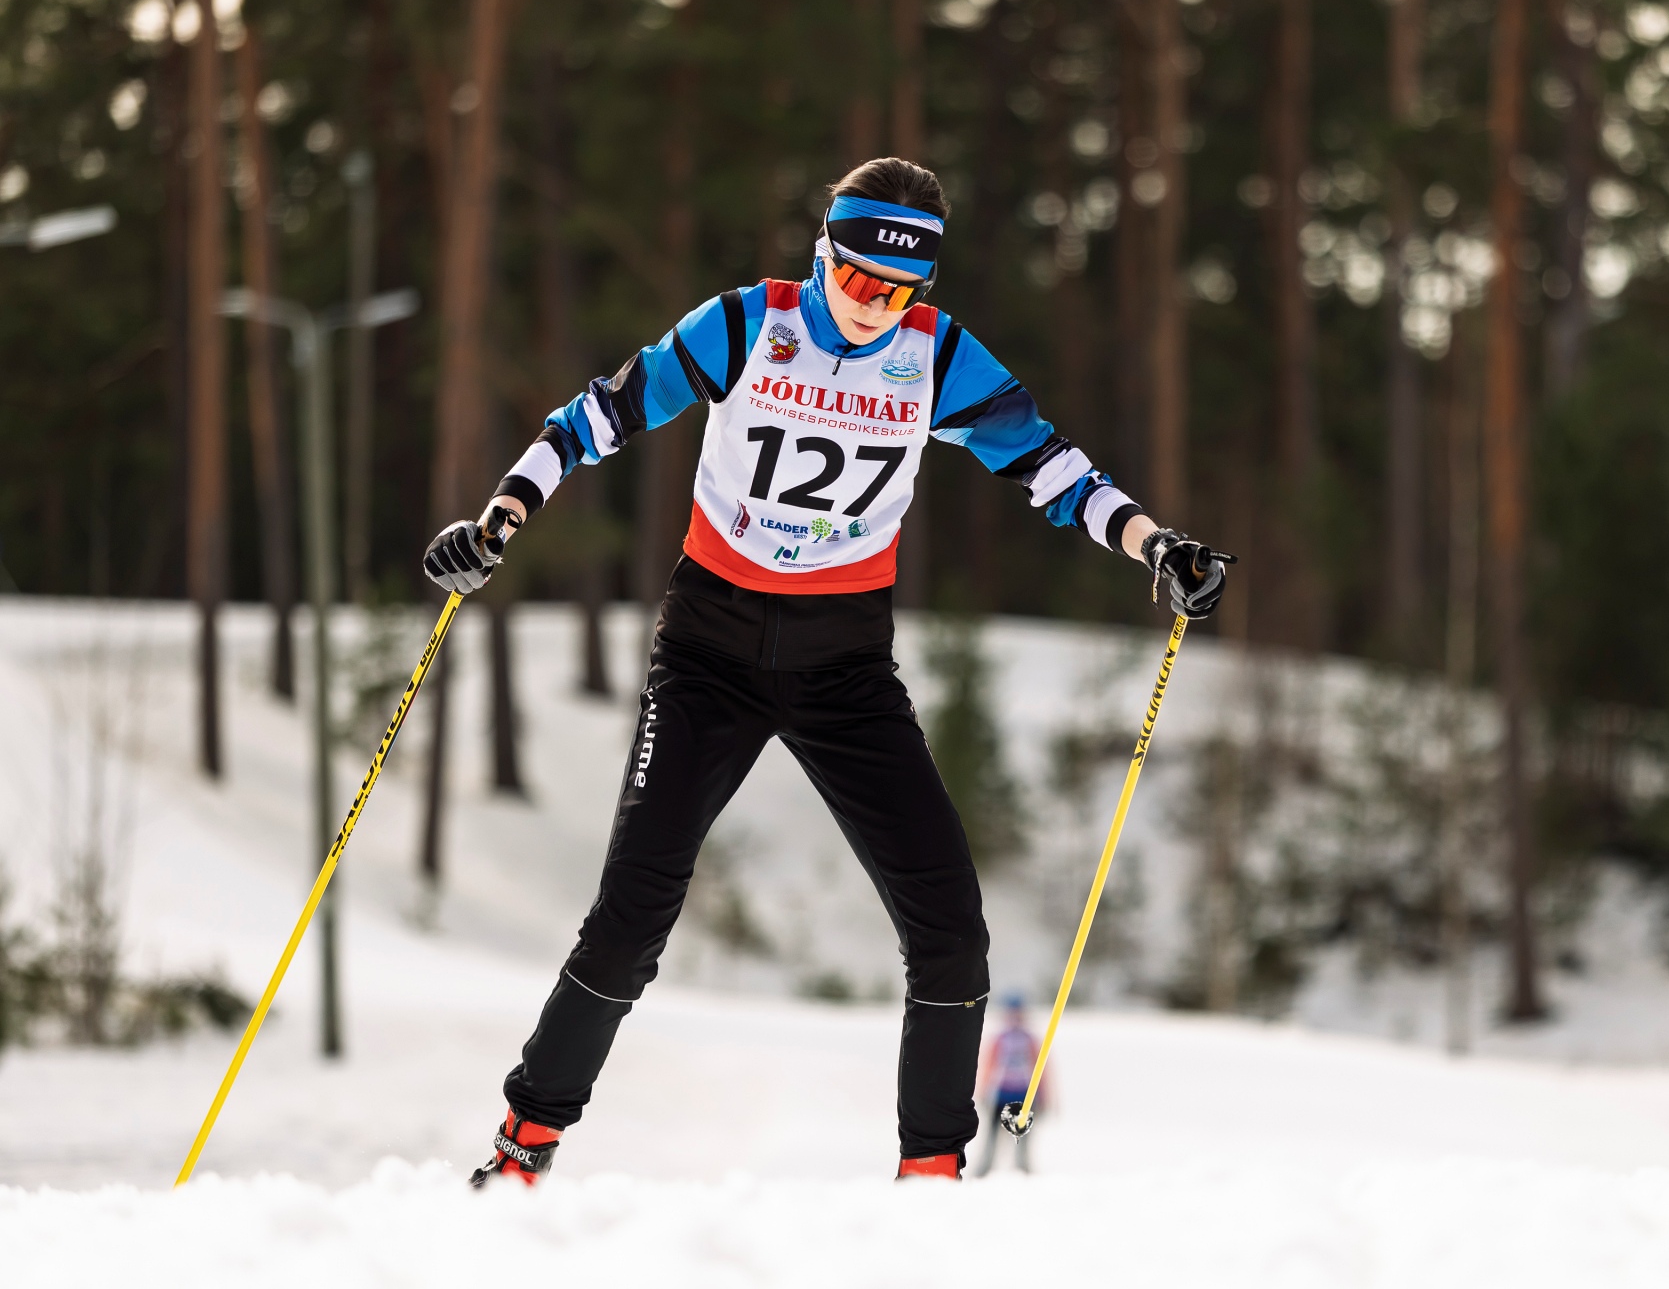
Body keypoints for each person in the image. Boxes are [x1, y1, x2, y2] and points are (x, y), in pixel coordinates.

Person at [427, 158, 1230, 1185]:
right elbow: (600, 414)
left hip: (843, 665)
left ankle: (931, 1177)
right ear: (823, 255)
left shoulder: (935, 356)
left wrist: (1157, 546)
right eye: (855, 279)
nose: (870, 306)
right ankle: (523, 1145)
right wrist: (498, 519)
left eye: (896, 291)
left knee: (950, 928)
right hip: (709, 653)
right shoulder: (745, 325)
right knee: (632, 916)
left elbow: (1051, 467)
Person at [974, 994, 1047, 1176]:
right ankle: (984, 1169)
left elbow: (1040, 1068)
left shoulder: (1029, 1039)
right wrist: (983, 1091)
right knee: (992, 1137)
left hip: (1024, 1095)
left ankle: (1024, 1169)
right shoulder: (1001, 1038)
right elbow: (989, 1065)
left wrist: (1043, 1095)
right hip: (1003, 1093)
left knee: (1023, 1138)